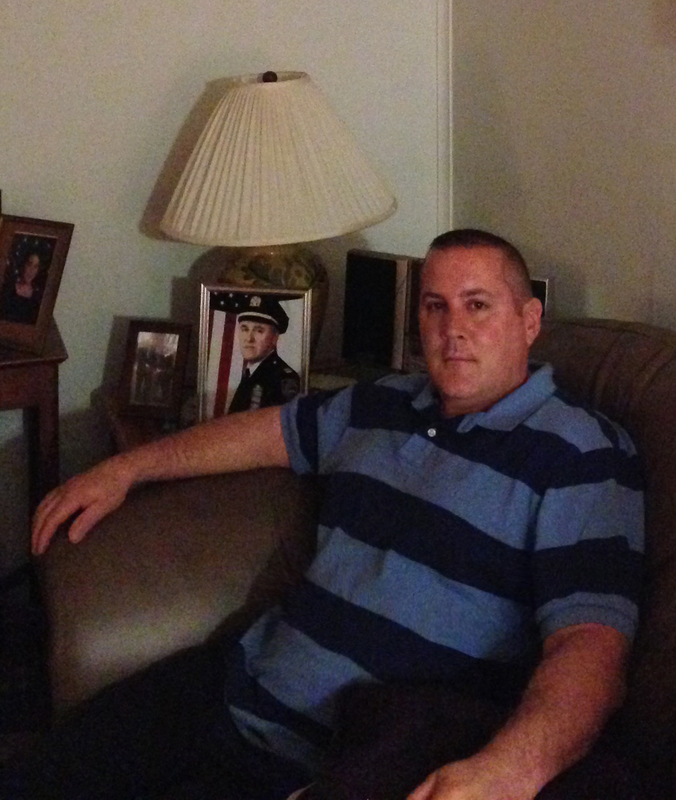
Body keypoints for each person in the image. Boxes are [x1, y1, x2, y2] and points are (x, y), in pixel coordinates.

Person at [28, 229, 643, 800]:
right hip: (230, 689)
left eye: (477, 305)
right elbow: (263, 432)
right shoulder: (381, 403)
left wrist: (507, 773)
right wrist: (127, 469)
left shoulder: (581, 455)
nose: (453, 328)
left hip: (350, 760)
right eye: (435, 306)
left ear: (528, 320)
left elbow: (589, 647)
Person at [228, 295, 301, 414]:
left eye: (259, 331)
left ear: (274, 338)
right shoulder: (250, 373)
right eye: (245, 329)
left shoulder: (283, 378)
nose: (249, 339)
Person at [0, 252, 43, 324]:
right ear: (23, 265)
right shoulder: (9, 289)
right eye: (29, 265)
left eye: (35, 267)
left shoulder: (38, 297)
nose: (31, 270)